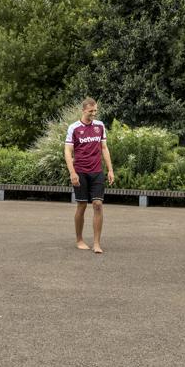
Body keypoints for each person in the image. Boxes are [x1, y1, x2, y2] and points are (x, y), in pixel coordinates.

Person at [64, 98, 115, 254]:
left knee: (98, 204)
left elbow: (104, 148)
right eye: (91, 111)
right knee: (82, 205)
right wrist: (72, 172)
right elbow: (67, 151)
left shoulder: (100, 126)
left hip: (96, 171)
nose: (94, 113)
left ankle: (97, 243)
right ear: (83, 110)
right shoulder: (74, 128)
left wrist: (110, 170)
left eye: (95, 111)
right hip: (80, 172)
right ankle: (79, 240)